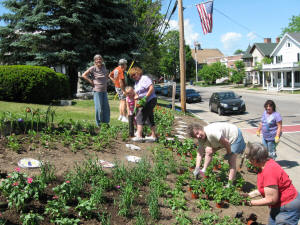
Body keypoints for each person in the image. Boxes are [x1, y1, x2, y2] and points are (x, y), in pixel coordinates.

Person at [244, 142, 300, 225]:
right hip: (278, 205)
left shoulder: (269, 171)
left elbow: (271, 200)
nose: (249, 162)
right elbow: (265, 189)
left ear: (255, 160)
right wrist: (249, 195)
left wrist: (249, 202)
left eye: (249, 159)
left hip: (288, 207)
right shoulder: (265, 164)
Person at [128, 66, 157, 142]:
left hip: (150, 100)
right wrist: (136, 98)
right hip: (143, 101)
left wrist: (145, 98)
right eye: (132, 76)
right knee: (149, 117)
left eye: (134, 75)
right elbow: (137, 94)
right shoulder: (136, 83)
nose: (134, 77)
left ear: (138, 72)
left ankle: (139, 136)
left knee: (140, 116)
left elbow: (151, 88)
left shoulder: (144, 78)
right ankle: (153, 136)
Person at [82, 54, 110, 127]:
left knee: (106, 107)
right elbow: (84, 75)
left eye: (100, 59)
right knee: (99, 108)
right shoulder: (93, 68)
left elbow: (106, 75)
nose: (99, 60)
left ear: (102, 60)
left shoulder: (104, 67)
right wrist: (91, 81)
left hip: (104, 90)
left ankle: (106, 123)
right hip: (97, 91)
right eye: (97, 59)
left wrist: (107, 79)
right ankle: (99, 124)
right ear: (95, 61)